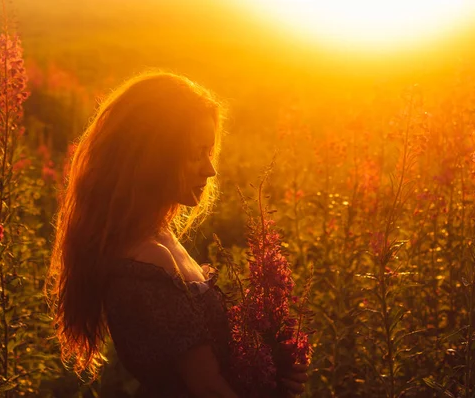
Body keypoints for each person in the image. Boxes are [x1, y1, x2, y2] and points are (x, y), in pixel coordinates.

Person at [48, 71, 308, 397]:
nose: (210, 169)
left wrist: (272, 372)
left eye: (209, 152)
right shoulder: (149, 262)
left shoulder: (159, 239)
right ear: (154, 155)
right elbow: (209, 389)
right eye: (196, 153)